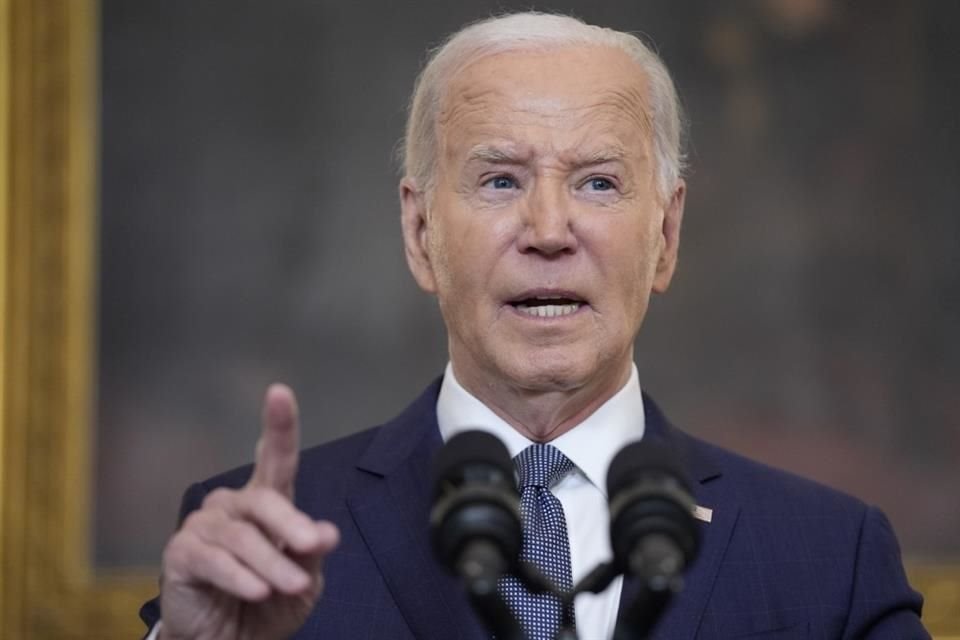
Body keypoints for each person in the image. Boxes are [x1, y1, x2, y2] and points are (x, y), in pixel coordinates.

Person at [140, 12, 928, 640]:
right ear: (421, 234)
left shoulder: (829, 555)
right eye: (499, 179)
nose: (549, 229)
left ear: (666, 235)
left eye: (596, 181)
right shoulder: (262, 553)